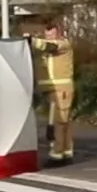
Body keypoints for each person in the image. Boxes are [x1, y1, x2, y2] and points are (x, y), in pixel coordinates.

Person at [29, 19, 76, 164]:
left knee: (58, 122)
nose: (50, 38)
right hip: (51, 89)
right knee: (63, 122)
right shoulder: (44, 49)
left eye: (52, 35)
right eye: (47, 35)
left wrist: (30, 40)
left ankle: (57, 154)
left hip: (61, 89)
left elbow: (49, 46)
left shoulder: (63, 44)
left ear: (59, 34)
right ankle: (66, 151)